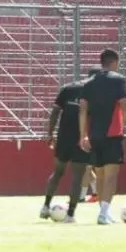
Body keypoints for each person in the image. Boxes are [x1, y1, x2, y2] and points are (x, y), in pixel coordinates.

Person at [78, 49, 126, 225]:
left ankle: (104, 212)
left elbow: (82, 110)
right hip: (113, 133)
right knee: (111, 174)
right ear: (114, 62)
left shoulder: (89, 83)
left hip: (95, 134)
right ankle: (104, 213)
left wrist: (83, 135)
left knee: (100, 173)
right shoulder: (117, 80)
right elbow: (124, 105)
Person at [40, 68, 100, 223]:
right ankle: (70, 214)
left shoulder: (68, 88)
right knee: (77, 177)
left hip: (63, 138)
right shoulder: (95, 92)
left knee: (58, 172)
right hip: (81, 138)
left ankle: (45, 206)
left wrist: (50, 133)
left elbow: (55, 112)